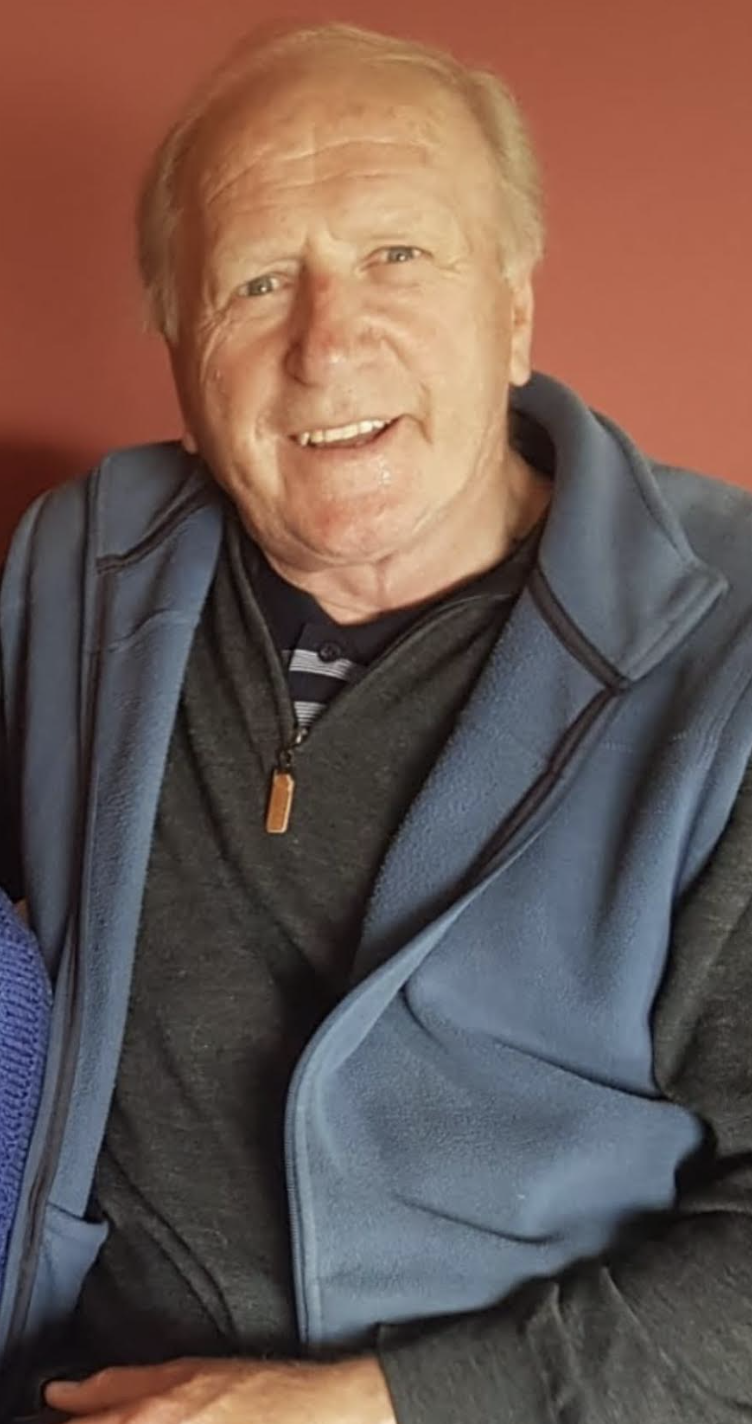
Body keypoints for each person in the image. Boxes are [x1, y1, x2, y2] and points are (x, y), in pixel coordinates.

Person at [1, 19, 752, 1424]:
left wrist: (377, 1403)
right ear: (181, 344)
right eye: (257, 280)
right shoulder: (76, 567)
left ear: (515, 311)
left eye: (399, 256)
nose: (328, 340)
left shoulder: (732, 658)